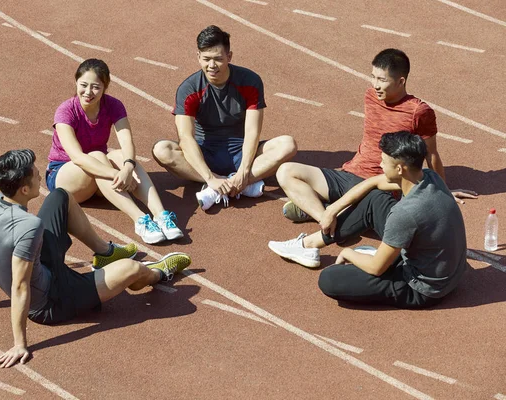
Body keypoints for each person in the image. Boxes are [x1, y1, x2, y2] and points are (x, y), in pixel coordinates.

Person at [0, 149, 191, 367]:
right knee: (132, 269)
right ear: (25, 190)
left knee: (61, 195)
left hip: (44, 267)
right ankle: (158, 273)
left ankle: (105, 253)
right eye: (37, 176)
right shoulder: (28, 227)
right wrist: (20, 344)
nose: (41, 177)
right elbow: (19, 286)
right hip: (53, 301)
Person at [268, 49, 476, 266]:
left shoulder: (419, 112)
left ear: (401, 81)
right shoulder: (370, 96)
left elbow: (431, 153)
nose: (375, 84)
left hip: (380, 186)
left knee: (363, 202)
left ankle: (325, 227)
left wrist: (441, 190)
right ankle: (328, 222)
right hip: (348, 175)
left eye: (382, 79)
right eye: (373, 77)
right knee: (286, 171)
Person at [308, 132, 466, 308]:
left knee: (329, 278)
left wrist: (348, 254)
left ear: (399, 169)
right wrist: (333, 209)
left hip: (423, 289)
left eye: (384, 161)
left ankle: (376, 256)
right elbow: (374, 183)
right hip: (447, 271)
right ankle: (310, 243)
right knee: (375, 198)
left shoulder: (404, 213)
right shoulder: (430, 177)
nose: (380, 164)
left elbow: (377, 268)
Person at [152, 25, 297, 210]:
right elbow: (186, 138)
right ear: (198, 57)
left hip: (243, 153)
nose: (211, 66)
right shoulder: (189, 89)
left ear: (229, 56)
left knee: (288, 144)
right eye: (206, 59)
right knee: (162, 150)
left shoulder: (250, 81)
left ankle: (232, 184)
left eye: (218, 59)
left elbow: (253, 131)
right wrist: (210, 177)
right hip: (205, 154)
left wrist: (244, 171)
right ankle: (221, 184)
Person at [47, 58, 182, 244]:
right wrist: (116, 173)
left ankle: (161, 216)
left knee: (120, 155)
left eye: (95, 87)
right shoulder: (66, 111)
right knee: (96, 156)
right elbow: (77, 158)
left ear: (105, 87)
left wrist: (127, 168)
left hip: (100, 174)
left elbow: (127, 141)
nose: (88, 92)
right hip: (65, 175)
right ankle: (140, 220)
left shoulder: (113, 105)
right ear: (76, 82)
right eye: (83, 85)